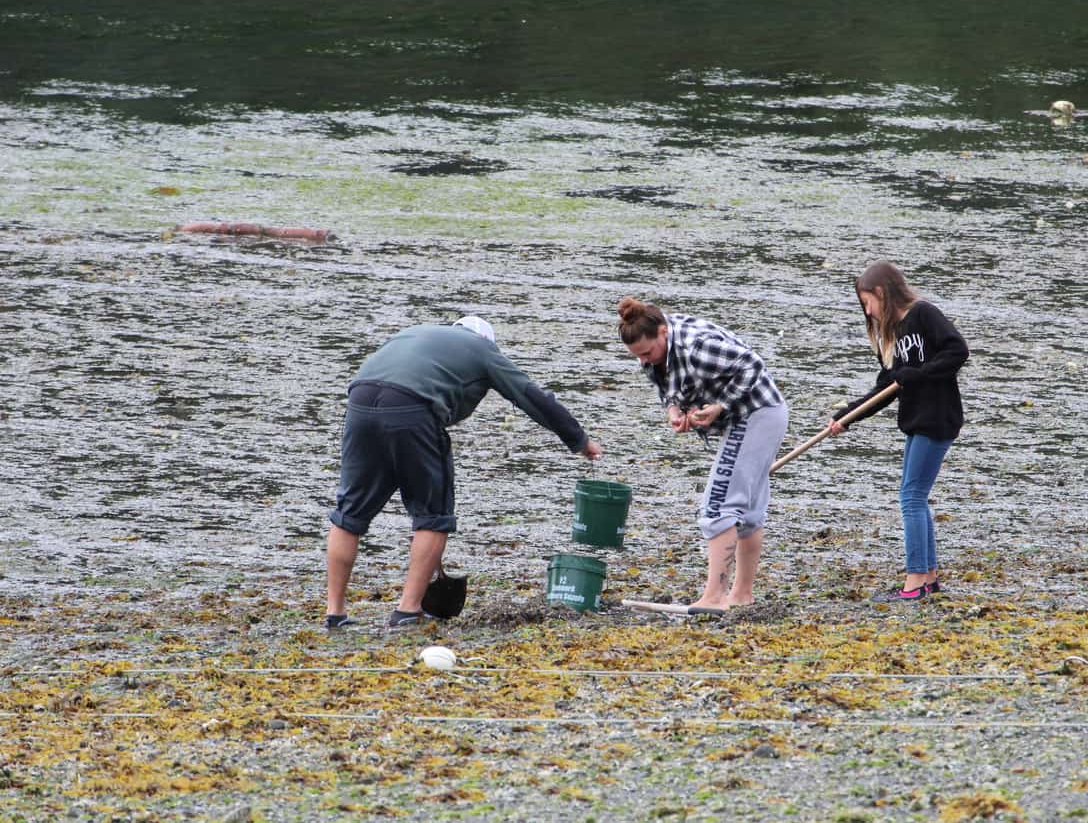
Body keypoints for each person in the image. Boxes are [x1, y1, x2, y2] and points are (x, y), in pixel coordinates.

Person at [324, 316, 603, 629]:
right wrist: (579, 440)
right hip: (414, 409)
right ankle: (407, 611)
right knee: (434, 515)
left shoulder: (415, 333)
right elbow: (531, 396)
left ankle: (335, 614)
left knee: (350, 513)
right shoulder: (482, 350)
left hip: (359, 403)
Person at [617, 297, 788, 610]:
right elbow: (666, 384)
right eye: (636, 356)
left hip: (756, 414)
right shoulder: (654, 351)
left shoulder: (697, 346)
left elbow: (752, 364)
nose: (643, 361)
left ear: (663, 333)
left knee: (718, 505)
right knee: (747, 512)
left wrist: (720, 406)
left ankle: (714, 597)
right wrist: (674, 409)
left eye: (646, 353)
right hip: (758, 417)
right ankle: (741, 596)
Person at [826, 261, 969, 601]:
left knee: (911, 497)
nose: (868, 312)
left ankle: (916, 580)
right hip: (917, 422)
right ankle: (928, 578)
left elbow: (957, 350)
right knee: (913, 495)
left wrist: (917, 375)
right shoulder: (893, 338)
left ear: (881, 293)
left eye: (867, 303)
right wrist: (847, 417)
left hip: (938, 418)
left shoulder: (923, 314)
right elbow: (884, 390)